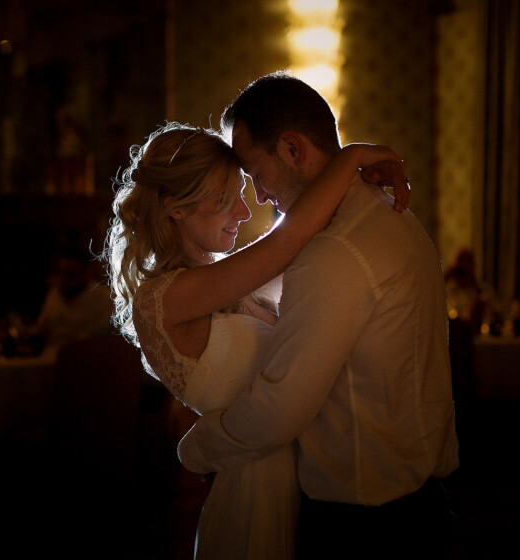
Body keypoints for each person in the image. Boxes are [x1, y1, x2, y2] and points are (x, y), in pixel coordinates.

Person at [176, 71, 460, 558]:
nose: (259, 197)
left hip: (364, 527)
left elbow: (278, 409)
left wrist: (195, 450)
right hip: (420, 507)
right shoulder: (391, 212)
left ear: (292, 148)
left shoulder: (334, 252)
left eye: (255, 176)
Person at [105, 119, 409, 558]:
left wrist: (360, 184)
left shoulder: (224, 285)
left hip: (297, 478)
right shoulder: (164, 298)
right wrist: (354, 156)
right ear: (177, 207)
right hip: (255, 490)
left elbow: (307, 243)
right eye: (226, 201)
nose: (245, 214)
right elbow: (288, 240)